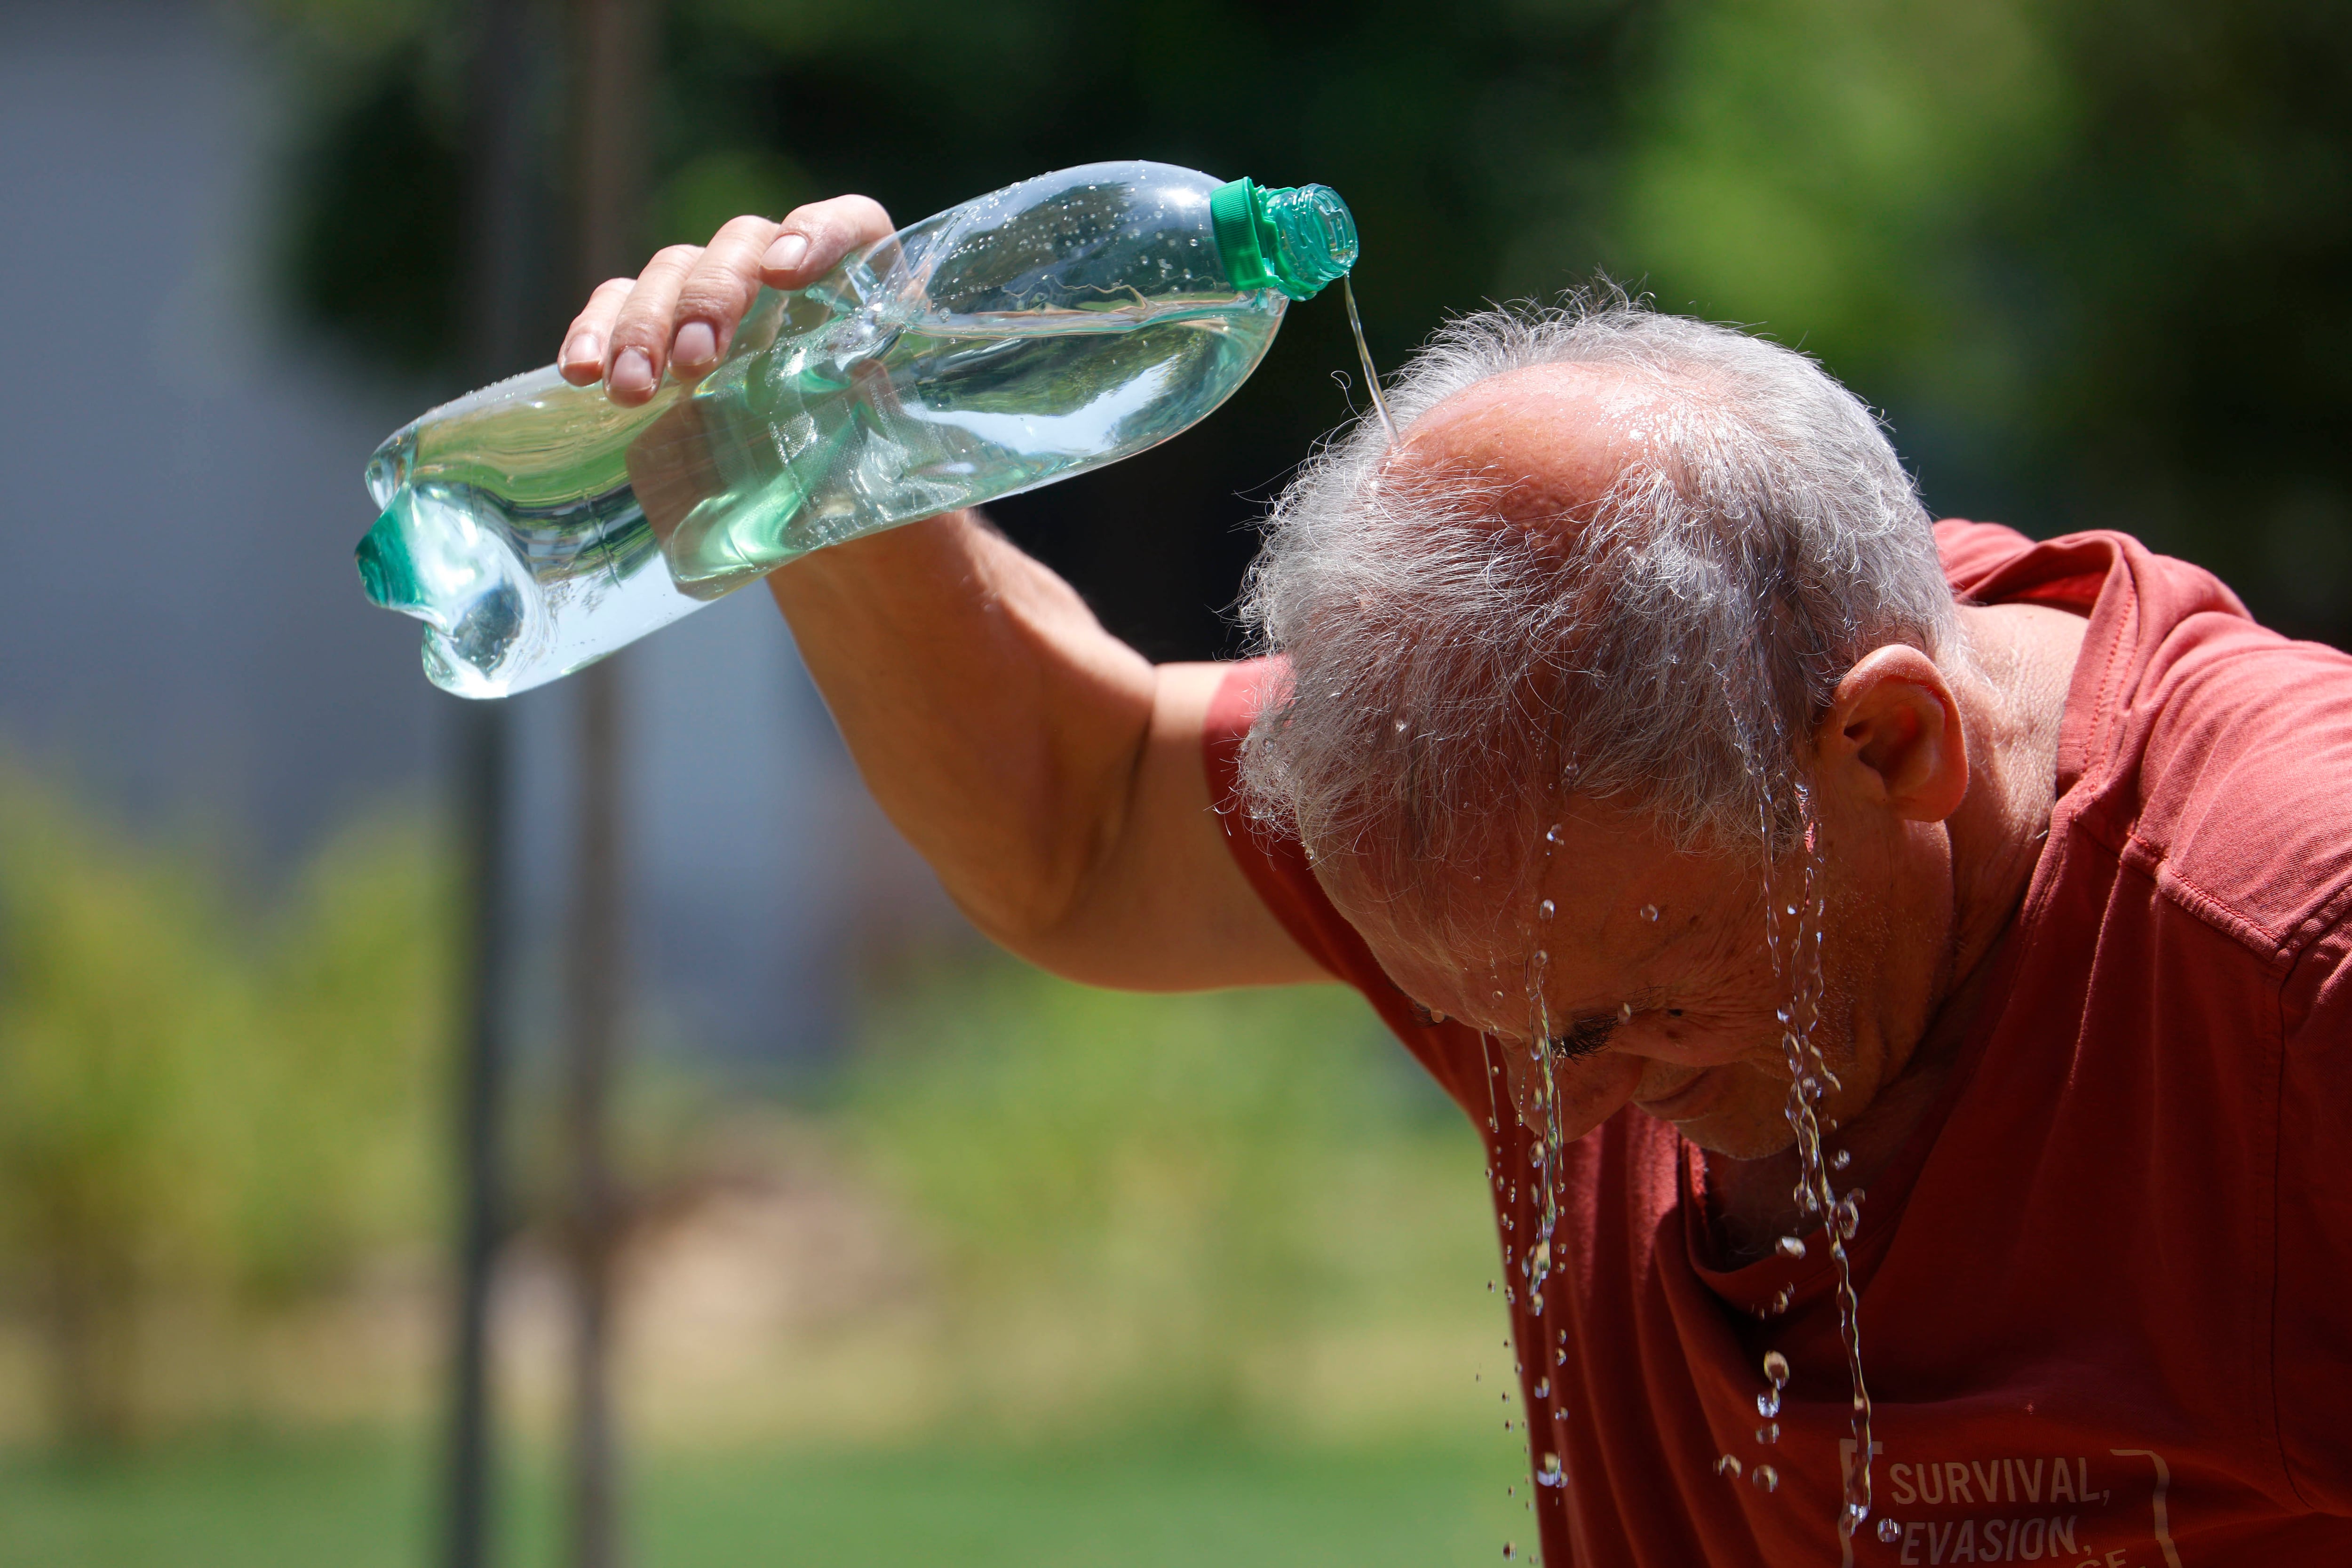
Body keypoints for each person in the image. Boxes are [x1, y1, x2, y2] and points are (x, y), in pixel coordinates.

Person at [558, 198, 2352, 1564]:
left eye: (1626, 1020)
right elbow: (1086, 825)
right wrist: (822, 473)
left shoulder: (2288, 965)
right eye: (1492, 1022)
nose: (1560, 1107)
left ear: (1890, 752)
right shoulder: (1538, 809)